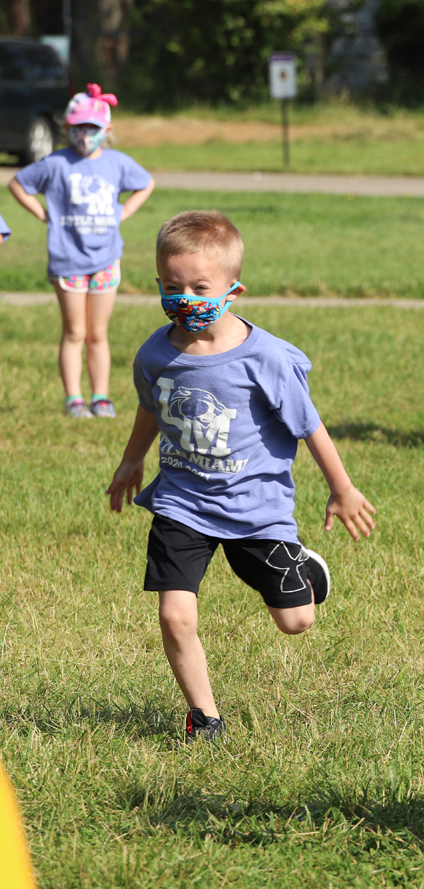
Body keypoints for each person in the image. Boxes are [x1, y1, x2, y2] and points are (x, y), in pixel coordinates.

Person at [106, 211, 376, 743]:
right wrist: (133, 459)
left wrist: (342, 489)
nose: (185, 299)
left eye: (199, 287)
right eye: (171, 286)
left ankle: (304, 566)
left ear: (233, 289)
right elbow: (150, 408)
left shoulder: (266, 357)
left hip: (255, 508)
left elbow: (310, 427)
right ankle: (205, 718)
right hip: (182, 503)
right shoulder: (155, 354)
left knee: (295, 621)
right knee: (174, 616)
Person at [8, 84, 155, 419]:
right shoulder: (56, 163)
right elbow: (18, 183)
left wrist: (125, 212)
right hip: (68, 261)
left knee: (98, 333)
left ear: (107, 131)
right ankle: (74, 398)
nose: (85, 135)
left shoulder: (117, 163)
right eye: (78, 128)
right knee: (75, 331)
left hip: (105, 260)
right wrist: (43, 213)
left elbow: (146, 183)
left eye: (92, 129)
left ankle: (101, 397)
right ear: (68, 129)